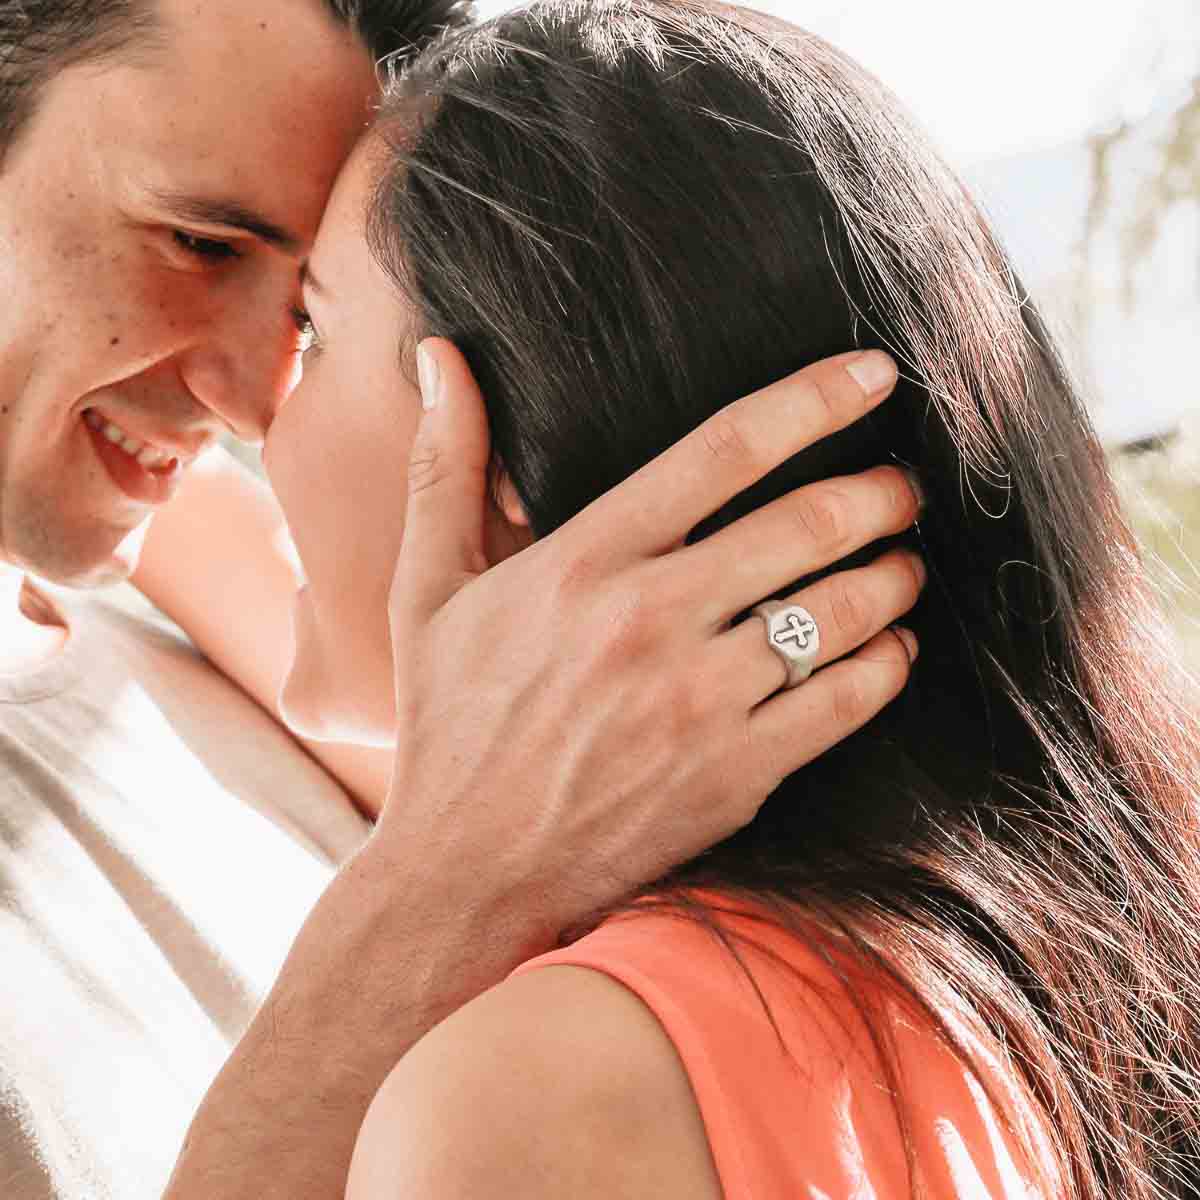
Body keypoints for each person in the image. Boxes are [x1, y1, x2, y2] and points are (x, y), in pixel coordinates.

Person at [163, 1, 1194, 1196]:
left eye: (316, 329)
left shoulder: (545, 1094)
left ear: (499, 454)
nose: (250, 416)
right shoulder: (1043, 960)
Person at [0, 1, 921, 1196]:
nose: (253, 405)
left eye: (307, 317)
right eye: (200, 245)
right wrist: (449, 892)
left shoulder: (203, 614)